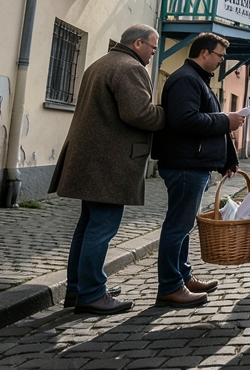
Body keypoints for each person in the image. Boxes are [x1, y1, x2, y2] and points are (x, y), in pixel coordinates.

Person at [48, 25, 165, 315]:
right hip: (108, 163)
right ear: (137, 43)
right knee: (101, 228)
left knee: (87, 226)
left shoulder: (101, 63)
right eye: (152, 47)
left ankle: (78, 289)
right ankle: (91, 293)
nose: (153, 53)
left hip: (90, 159)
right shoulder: (130, 68)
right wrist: (167, 113)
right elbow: (139, 113)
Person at [151, 32, 250, 307]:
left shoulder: (198, 81)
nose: (221, 61)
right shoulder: (186, 79)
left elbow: (211, 125)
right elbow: (185, 120)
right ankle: (170, 286)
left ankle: (182, 276)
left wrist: (227, 160)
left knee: (183, 227)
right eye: (219, 55)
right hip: (184, 165)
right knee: (177, 226)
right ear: (205, 52)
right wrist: (224, 120)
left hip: (194, 163)